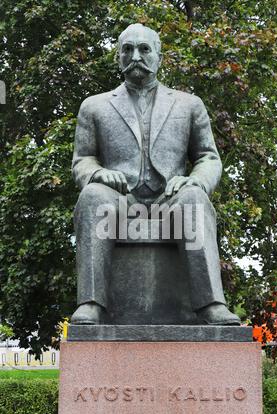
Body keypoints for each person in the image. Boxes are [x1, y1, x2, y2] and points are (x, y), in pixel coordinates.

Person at [71, 23, 240, 326]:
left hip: (171, 198)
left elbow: (208, 158)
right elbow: (83, 160)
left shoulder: (189, 105)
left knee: (194, 198)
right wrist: (98, 174)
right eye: (127, 49)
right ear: (118, 57)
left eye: (145, 49)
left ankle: (211, 305)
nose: (136, 55)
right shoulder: (94, 107)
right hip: (119, 200)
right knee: (92, 195)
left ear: (160, 56)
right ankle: (92, 304)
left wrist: (195, 180)